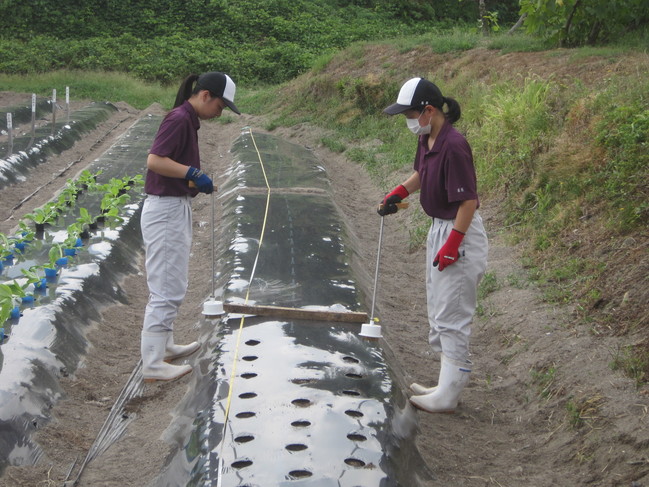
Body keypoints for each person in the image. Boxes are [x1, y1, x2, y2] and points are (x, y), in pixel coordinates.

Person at [380, 77, 488, 413]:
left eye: (410, 114)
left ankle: (450, 394)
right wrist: (399, 191)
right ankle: (445, 382)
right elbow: (421, 174)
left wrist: (454, 243)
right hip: (440, 229)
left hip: (460, 231)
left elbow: (468, 201)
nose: (408, 122)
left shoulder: (454, 145)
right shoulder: (428, 138)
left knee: (452, 312)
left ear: (428, 110)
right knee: (438, 309)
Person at [140, 71, 240, 382]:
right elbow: (155, 160)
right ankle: (153, 362)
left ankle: (165, 344)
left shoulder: (187, 119)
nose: (220, 113)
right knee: (166, 287)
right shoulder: (179, 118)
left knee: (174, 282)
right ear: (206, 95)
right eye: (221, 107)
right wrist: (193, 173)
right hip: (164, 209)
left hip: (173, 205)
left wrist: (190, 179)